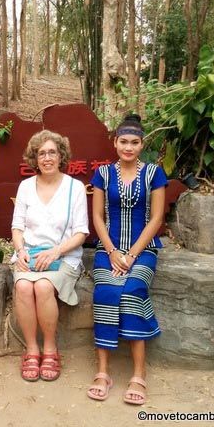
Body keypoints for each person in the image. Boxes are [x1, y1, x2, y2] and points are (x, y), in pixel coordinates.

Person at [86, 114, 167, 405]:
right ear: (115, 143)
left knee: (132, 291)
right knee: (105, 292)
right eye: (123, 141)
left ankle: (139, 373)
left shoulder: (154, 174)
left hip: (143, 250)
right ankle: (103, 372)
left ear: (142, 144)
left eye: (134, 142)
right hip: (108, 249)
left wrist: (131, 255)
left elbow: (157, 217)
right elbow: (97, 216)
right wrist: (112, 252)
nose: (129, 147)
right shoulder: (104, 174)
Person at [11, 130, 89, 382]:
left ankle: (50, 349)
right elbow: (17, 227)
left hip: (63, 257)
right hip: (29, 255)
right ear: (35, 158)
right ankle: (32, 350)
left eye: (52, 152)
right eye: (41, 153)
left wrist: (55, 251)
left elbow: (81, 233)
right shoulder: (25, 186)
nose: (47, 158)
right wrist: (21, 250)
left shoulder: (74, 187)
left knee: (44, 287)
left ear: (61, 155)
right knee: (23, 286)